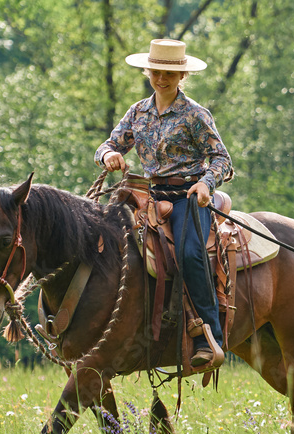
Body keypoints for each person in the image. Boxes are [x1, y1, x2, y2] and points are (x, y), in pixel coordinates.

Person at [95, 38, 232, 370]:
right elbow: (109, 144)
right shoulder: (138, 112)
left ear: (181, 75)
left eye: (169, 73)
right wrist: (110, 155)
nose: (161, 79)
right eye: (156, 71)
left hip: (188, 197)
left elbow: (222, 160)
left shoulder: (195, 114)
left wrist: (205, 182)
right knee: (104, 242)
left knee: (189, 253)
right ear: (148, 71)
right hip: (148, 196)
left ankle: (209, 335)